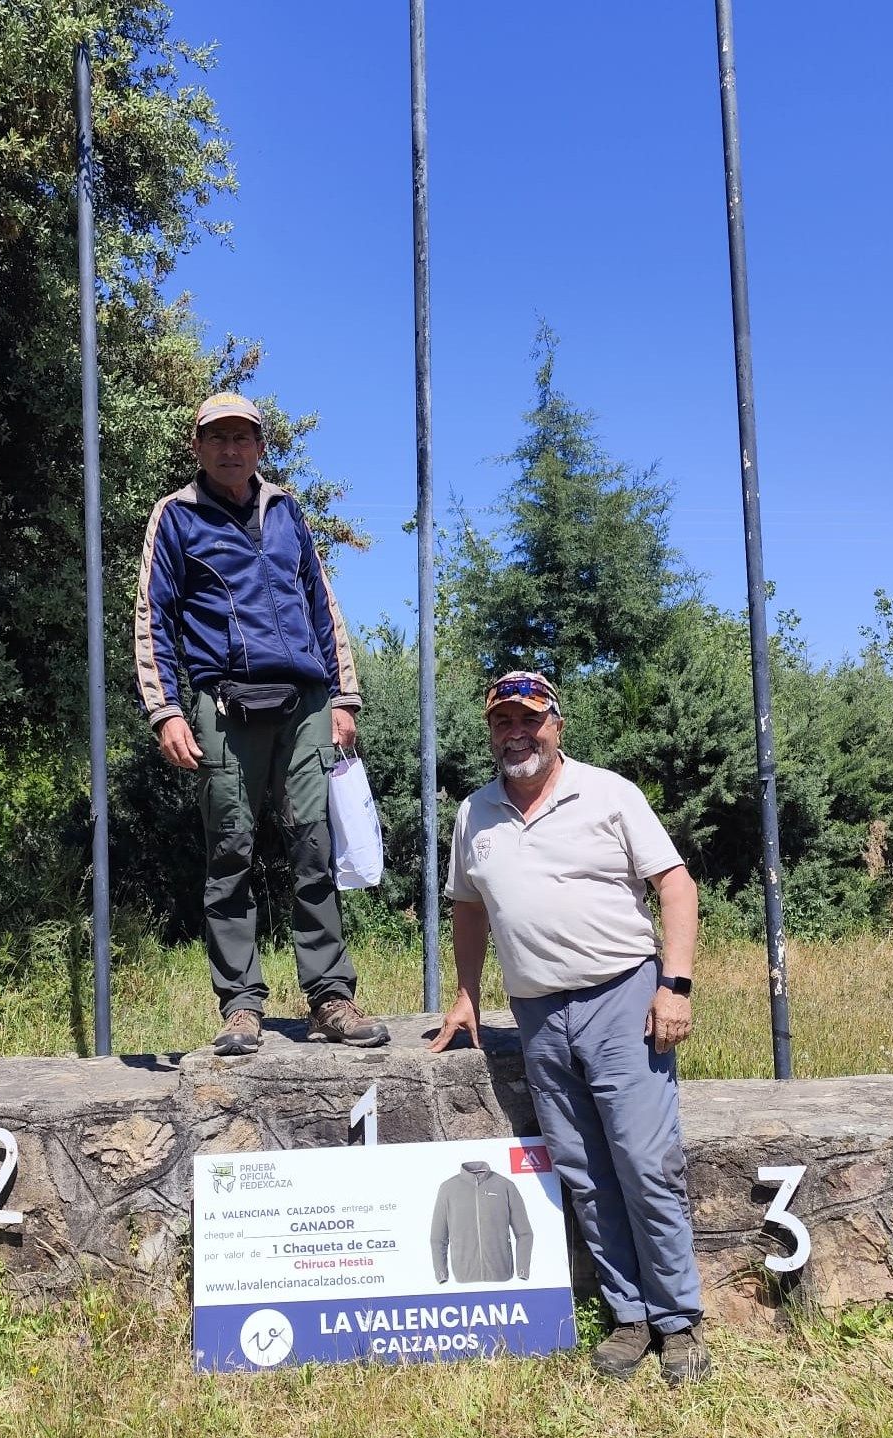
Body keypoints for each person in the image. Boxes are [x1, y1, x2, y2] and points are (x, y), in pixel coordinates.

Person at [428, 670, 710, 1385]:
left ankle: (678, 1322)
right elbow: (469, 907)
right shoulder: (475, 813)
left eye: (530, 719)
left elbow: (676, 885)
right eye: (502, 723)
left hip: (624, 1000)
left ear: (558, 722)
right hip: (537, 1016)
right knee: (585, 1173)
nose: (516, 733)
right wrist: (466, 994)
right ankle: (628, 1317)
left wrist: (674, 985)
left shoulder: (609, 793)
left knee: (646, 1165)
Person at [134, 391, 386, 1055]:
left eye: (242, 437)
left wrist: (344, 698)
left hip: (305, 703)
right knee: (230, 853)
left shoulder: (287, 512)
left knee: (313, 848)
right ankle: (241, 1007)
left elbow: (321, 603)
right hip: (222, 708)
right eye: (216, 437)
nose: (230, 449)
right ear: (197, 446)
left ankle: (331, 999)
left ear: (261, 447)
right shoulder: (176, 517)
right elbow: (151, 618)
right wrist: (164, 711)